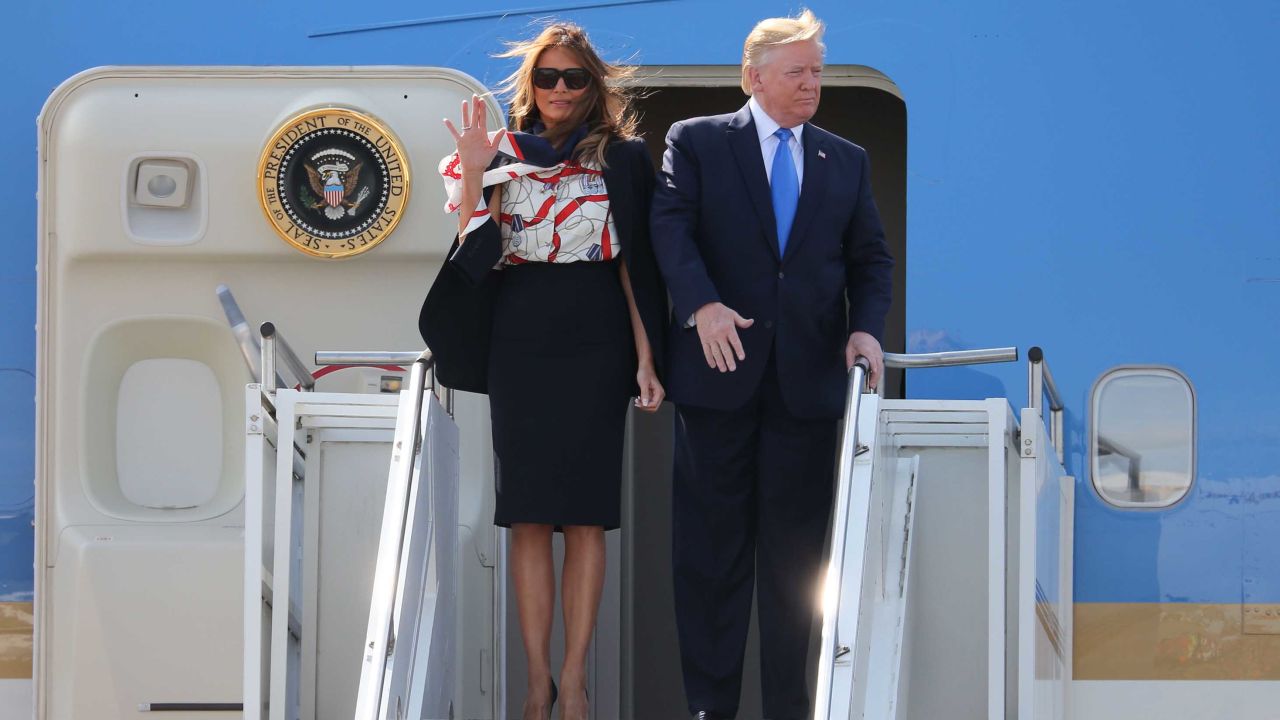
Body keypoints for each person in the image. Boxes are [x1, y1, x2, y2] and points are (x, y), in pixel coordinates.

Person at [649, 10, 894, 720]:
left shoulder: (845, 159)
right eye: (798, 72)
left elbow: (870, 259)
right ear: (754, 78)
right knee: (710, 565)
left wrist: (865, 331)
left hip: (807, 390)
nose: (812, 83)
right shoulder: (695, 142)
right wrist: (701, 306)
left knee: (796, 574)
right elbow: (671, 229)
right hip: (718, 382)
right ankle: (709, 710)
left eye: (818, 70)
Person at [419, 22, 666, 720]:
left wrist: (647, 358)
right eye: (548, 77)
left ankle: (576, 679)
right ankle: (535, 684)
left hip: (597, 336)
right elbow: (469, 249)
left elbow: (634, 267)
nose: (560, 90)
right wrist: (472, 171)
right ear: (529, 84)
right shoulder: (498, 153)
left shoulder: (623, 159)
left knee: (586, 519)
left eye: (575, 78)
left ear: (595, 86)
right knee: (526, 517)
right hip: (520, 334)